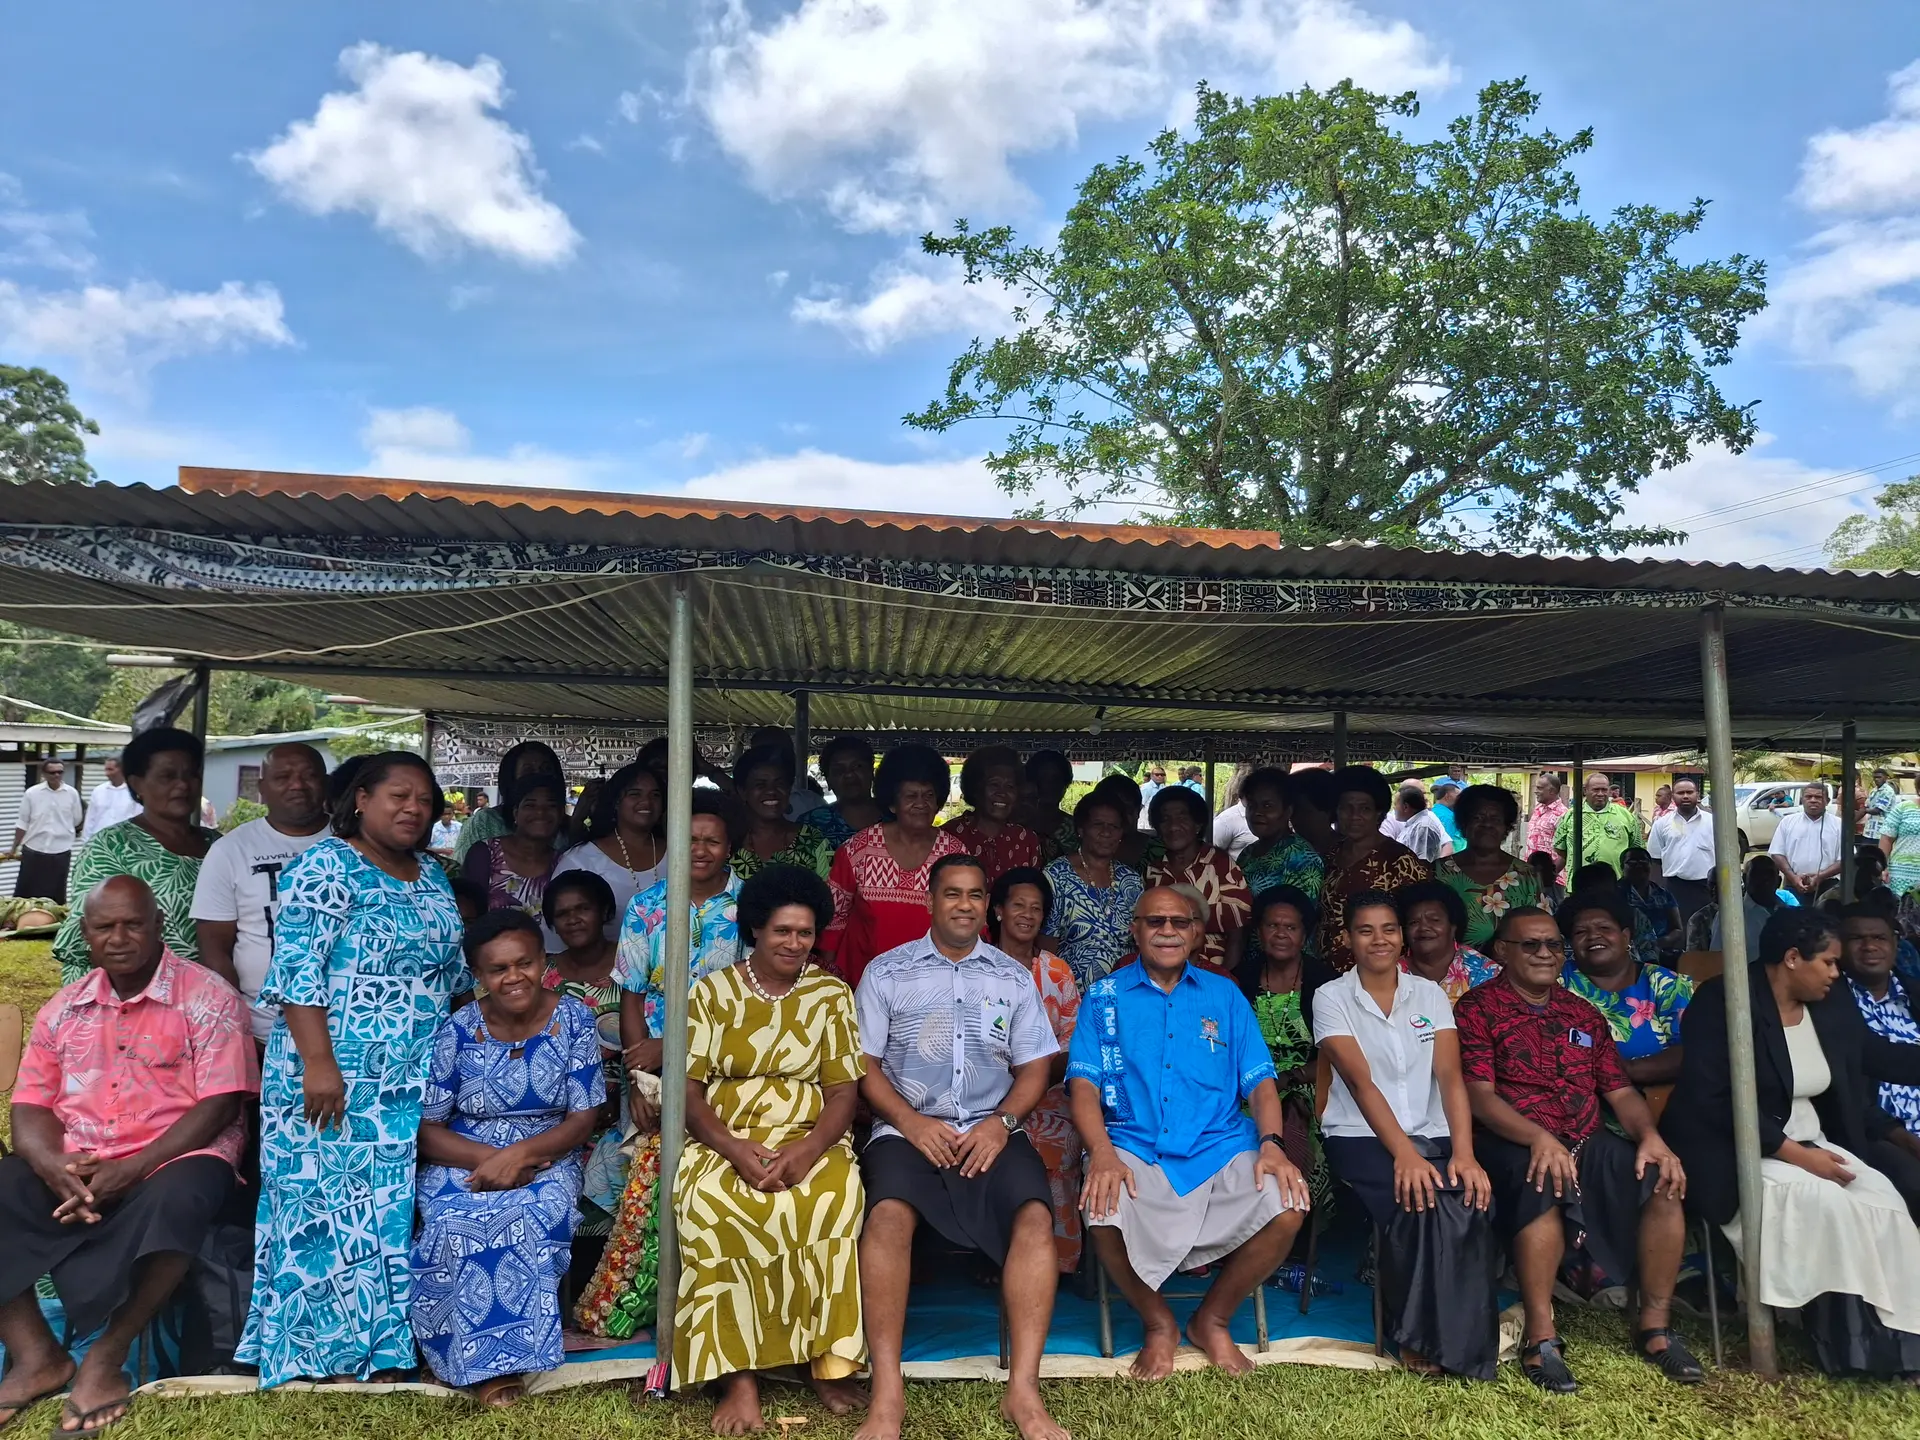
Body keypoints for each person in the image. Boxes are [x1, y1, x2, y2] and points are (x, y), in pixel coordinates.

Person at [239, 751, 468, 1387]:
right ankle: (322, 1354)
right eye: (399, 795)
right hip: (332, 1077)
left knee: (385, 1215)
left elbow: (451, 981)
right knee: (325, 1214)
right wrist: (318, 1064)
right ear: (361, 799)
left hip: (405, 1080)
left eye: (425, 800)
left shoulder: (431, 877)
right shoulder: (326, 866)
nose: (414, 809)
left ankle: (383, 1351)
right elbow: (297, 974)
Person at [0, 875, 255, 1435]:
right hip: (83, 1165)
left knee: (183, 1195)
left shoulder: (207, 996)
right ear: (84, 933)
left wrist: (128, 1171)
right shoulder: (64, 1007)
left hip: (175, 1157)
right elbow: (31, 1105)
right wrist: (54, 1167)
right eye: (104, 926)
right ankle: (36, 1356)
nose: (119, 937)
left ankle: (104, 1359)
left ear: (159, 927)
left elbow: (220, 1104)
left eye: (133, 924)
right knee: (5, 1184)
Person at [854, 855, 1067, 1440]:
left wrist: (1001, 1123)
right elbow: (863, 1066)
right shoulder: (887, 973)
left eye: (975, 895)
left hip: (989, 1129)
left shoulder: (1010, 976)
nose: (965, 906)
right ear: (930, 901)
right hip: (906, 1130)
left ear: (986, 906)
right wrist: (911, 1123)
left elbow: (1035, 1067)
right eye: (953, 894)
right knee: (889, 1218)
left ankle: (1023, 1391)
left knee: (1032, 1218)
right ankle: (887, 1393)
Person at [1663, 909, 1920, 1375]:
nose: (1838, 973)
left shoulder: (1830, 1001)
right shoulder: (1725, 1001)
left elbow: (1873, 1055)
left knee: (1884, 1202)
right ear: (1793, 958)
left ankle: (1899, 1345)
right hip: (1730, 1148)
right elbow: (1715, 1101)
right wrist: (1801, 1158)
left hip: (1811, 1141)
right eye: (1829, 962)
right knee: (1829, 1205)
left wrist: (1811, 1153)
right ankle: (1847, 1347)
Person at [1455, 906, 1700, 1392]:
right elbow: (1479, 1097)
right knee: (1542, 1176)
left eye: (1553, 945)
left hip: (1586, 1138)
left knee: (1662, 1180)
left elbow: (1620, 1091)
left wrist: (1651, 1138)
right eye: (1531, 945)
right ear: (1502, 951)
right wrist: (1538, 1137)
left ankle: (1655, 1326)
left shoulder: (1581, 1012)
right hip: (1513, 1142)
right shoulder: (1477, 1008)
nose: (1546, 954)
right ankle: (1542, 1338)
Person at [1069, 884, 1309, 1381]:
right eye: (1155, 922)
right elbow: (1083, 1087)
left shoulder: (1224, 994)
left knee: (1289, 1203)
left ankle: (1212, 1319)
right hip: (1133, 1144)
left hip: (1218, 1145)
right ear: (1135, 930)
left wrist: (1273, 1145)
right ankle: (1159, 1324)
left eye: (1179, 923)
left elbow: (1261, 1082)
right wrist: (1103, 1154)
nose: (1167, 931)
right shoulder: (1104, 997)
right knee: (1102, 1205)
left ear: (1197, 933)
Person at [672, 865, 868, 1434]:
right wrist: (733, 1148)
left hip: (811, 1137)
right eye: (782, 931)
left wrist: (807, 1151)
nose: (794, 943)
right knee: (715, 1205)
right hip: (724, 1137)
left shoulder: (831, 994)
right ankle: (738, 1377)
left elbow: (842, 1091)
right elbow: (687, 1091)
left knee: (831, 1199)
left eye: (805, 933)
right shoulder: (712, 992)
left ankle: (826, 1365)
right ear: (756, 927)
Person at [411, 911, 604, 1404]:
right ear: (479, 975)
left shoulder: (575, 1019)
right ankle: (462, 1359)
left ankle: (505, 1363)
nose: (513, 976)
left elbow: (584, 1118)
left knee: (527, 1214)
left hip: (548, 1152)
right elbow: (428, 1129)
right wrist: (493, 1159)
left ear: (543, 961)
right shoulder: (457, 1029)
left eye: (524, 962)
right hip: (462, 1154)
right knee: (454, 1220)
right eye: (497, 969)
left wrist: (520, 1156)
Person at [575, 793, 745, 1343]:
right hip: (649, 1063)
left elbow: (751, 1001)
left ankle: (711, 1299)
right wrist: (637, 1080)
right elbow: (629, 994)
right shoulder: (648, 906)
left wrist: (675, 1050)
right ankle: (636, 1298)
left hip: (725, 1064)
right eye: (690, 838)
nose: (700, 849)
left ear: (729, 847)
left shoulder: (750, 907)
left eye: (712, 840)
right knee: (640, 1172)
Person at [1314, 890, 1498, 1379]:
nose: (1379, 939)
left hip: (1432, 1130)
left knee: (1470, 1197)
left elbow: (1451, 1078)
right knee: (1416, 1199)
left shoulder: (1429, 995)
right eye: (1366, 930)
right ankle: (1413, 1335)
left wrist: (1464, 1152)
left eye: (1389, 929)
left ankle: (1460, 1340)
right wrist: (1404, 1155)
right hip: (1359, 1135)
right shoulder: (1331, 997)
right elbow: (1360, 1082)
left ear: (1401, 937)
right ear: (1348, 938)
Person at [53, 728, 218, 985]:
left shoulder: (220, 847)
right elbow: (87, 937)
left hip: (212, 1000)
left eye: (191, 774)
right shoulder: (110, 847)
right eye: (167, 776)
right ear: (137, 783)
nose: (183, 785)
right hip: (130, 1001)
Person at [192, 742, 331, 1045]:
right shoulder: (231, 850)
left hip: (345, 1028)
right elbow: (215, 950)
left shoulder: (353, 842)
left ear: (326, 783)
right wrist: (238, 1030)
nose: (297, 785)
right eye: (283, 777)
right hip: (261, 1031)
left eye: (309, 775)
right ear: (263, 788)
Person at [988, 866, 1084, 1272]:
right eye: (1018, 906)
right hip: (986, 1097)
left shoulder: (1055, 971)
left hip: (1047, 1095)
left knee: (1059, 1138)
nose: (1027, 915)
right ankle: (998, 1255)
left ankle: (1057, 1261)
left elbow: (1072, 1043)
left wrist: (1034, 1074)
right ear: (997, 911)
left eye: (1037, 909)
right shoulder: (978, 966)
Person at [824, 745, 966, 989]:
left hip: (932, 991)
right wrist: (828, 983)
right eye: (911, 796)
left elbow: (968, 922)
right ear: (892, 803)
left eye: (928, 795)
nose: (921, 804)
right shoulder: (858, 850)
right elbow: (833, 921)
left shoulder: (954, 853)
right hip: (863, 988)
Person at [1231, 885, 1336, 1213]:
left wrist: (1290, 1078)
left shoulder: (1326, 983)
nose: (1280, 934)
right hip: (1245, 1087)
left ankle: (1293, 1222)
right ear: (1259, 931)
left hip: (1309, 1087)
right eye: (1272, 926)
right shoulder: (1239, 980)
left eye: (1290, 927)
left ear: (1304, 934)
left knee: (1296, 1131)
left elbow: (1335, 1056)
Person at [1557, 889, 1691, 1087]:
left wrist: (1622, 1071)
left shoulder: (1665, 983)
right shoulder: (1557, 981)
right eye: (1580, 932)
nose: (1593, 936)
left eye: (1604, 928)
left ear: (1626, 937)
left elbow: (1690, 1050)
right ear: (1571, 944)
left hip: (1655, 1102)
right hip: (1571, 1102)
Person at [1318, 766, 1431, 973]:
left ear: (1379, 812)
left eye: (1364, 809)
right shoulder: (1331, 854)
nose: (1354, 816)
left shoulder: (1400, 859)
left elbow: (1417, 921)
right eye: (1346, 808)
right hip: (1327, 973)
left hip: (1379, 973)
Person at [1144, 785, 1251, 976]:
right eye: (1165, 819)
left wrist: (1223, 979)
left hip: (1213, 972)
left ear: (1198, 824)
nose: (1173, 826)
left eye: (1182, 818)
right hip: (1162, 974)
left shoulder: (1220, 864)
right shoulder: (1154, 871)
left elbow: (1238, 933)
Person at [1042, 792, 1145, 988]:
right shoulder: (1056, 875)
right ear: (1081, 829)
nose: (1106, 832)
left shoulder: (1131, 880)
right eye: (1098, 824)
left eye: (1114, 826)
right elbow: (1047, 946)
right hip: (1070, 994)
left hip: (1125, 992)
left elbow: (1142, 941)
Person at [553, 758, 667, 932]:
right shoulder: (581, 860)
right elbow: (558, 930)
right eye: (635, 794)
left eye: (655, 795)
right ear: (615, 802)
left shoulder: (680, 854)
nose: (647, 802)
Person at [1839, 902, 1920, 1142]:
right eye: (1857, 938)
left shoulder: (1914, 996)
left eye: (1879, 938)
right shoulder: (1828, 999)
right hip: (1878, 1137)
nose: (1869, 947)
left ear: (1895, 944)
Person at [462, 769, 566, 945]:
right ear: (515, 813)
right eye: (530, 805)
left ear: (561, 814)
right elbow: (467, 919)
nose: (541, 812)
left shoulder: (564, 863)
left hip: (550, 966)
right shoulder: (485, 854)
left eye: (551, 805)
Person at [1434, 784, 1541, 950]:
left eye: (1495, 819)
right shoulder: (1439, 872)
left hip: (1513, 972)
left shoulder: (1526, 875)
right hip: (1453, 972)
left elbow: (1541, 931)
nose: (1487, 825)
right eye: (1478, 818)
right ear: (1464, 823)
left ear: (1506, 826)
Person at [729, 743, 834, 882]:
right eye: (760, 785)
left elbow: (831, 897)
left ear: (789, 789)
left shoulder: (813, 841)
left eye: (780, 784)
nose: (771, 791)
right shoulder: (727, 841)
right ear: (743, 792)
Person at [942, 746, 1044, 887]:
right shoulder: (948, 836)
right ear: (976, 788)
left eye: (1010, 786)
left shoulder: (1026, 840)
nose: (1002, 793)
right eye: (994, 784)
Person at [453, 740, 566, 864]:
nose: (538, 777)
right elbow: (461, 871)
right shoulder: (484, 822)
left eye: (546, 770)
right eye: (528, 771)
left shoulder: (565, 825)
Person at [1397, 879, 1499, 1003]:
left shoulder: (1484, 971)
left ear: (1453, 926)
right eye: (1414, 922)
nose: (1423, 927)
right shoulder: (1391, 971)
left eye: (1434, 920)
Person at [1234, 768, 1325, 901]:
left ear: (1288, 811)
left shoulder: (1302, 858)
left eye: (1267, 806)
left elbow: (1300, 916)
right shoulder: (1248, 853)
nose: (1257, 812)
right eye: (1252, 805)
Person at [9, 758, 82, 903]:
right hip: (34, 850)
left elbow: (77, 820)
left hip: (60, 852)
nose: (56, 775)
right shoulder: (32, 793)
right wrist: (13, 848)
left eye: (60, 772)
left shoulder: (72, 794)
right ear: (44, 774)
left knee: (55, 897)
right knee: (25, 896)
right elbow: (22, 823)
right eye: (52, 772)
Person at [1646, 778, 1714, 922]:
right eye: (1680, 793)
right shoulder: (1662, 824)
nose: (1685, 796)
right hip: (1675, 887)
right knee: (1679, 931)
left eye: (1689, 792)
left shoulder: (1713, 822)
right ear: (1673, 797)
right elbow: (1655, 860)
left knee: (1706, 932)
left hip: (1707, 888)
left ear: (1697, 795)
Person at [1553, 772, 1644, 880]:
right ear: (1585, 791)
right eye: (1596, 790)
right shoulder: (1571, 815)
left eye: (1604, 790)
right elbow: (1560, 849)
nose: (1600, 793)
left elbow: (1637, 849)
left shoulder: (1625, 816)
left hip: (1617, 885)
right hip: (1579, 885)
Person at [1772, 781, 1843, 905]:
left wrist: (1820, 876)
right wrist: (1793, 877)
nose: (1813, 800)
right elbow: (1777, 853)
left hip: (1828, 887)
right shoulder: (1787, 822)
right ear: (1802, 799)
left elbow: (1846, 859)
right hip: (1794, 885)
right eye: (1808, 797)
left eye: (1818, 797)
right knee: (1793, 922)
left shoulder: (1839, 825)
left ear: (1828, 801)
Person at [1711, 855, 1787, 963]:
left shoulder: (1787, 913)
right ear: (1745, 879)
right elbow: (1716, 960)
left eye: (1769, 874)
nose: (1764, 879)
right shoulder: (1730, 916)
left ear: (1778, 881)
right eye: (1757, 874)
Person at [815, 735, 882, 852]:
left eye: (857, 766)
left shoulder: (897, 818)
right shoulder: (812, 824)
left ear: (871, 772)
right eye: (839, 770)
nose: (849, 775)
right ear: (828, 780)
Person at [1620, 847, 1685, 963]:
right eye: (1632, 862)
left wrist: (1661, 942)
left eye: (1644, 861)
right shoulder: (1616, 893)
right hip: (1627, 954)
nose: (1639, 865)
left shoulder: (1663, 895)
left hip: (1662, 952)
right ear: (1622, 867)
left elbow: (1677, 929)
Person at [1023, 749, 1078, 862]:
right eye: (1042, 778)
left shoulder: (1077, 829)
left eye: (1056, 779)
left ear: (1065, 783)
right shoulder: (1015, 825)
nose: (1049, 786)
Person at [80, 756, 141, 842]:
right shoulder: (98, 790)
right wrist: (86, 841)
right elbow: (90, 818)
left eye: (110, 769)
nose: (106, 773)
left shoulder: (135, 791)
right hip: (100, 842)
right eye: (106, 769)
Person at [1391, 784, 1451, 863]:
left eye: (1396, 804)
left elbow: (1421, 864)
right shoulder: (1416, 824)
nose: (1394, 808)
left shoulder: (1423, 827)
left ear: (1405, 807)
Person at [1526, 773, 1568, 876]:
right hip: (1531, 875)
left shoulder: (1563, 814)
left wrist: (1552, 875)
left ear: (1552, 791)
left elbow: (1565, 850)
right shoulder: (1538, 809)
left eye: (1540, 788)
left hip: (1552, 879)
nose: (1536, 791)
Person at [1429, 776, 1466, 852]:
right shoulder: (1448, 817)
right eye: (1458, 796)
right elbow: (1449, 845)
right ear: (1447, 796)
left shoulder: (1432, 812)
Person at [1866, 768, 1901, 842]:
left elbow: (1877, 810)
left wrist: (1864, 811)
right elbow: (1867, 805)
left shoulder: (1887, 791)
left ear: (1885, 777)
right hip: (1870, 830)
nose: (1876, 779)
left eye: (1879, 777)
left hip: (1882, 831)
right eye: (1875, 777)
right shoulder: (1873, 791)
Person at [1138, 764, 1168, 828]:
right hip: (1146, 823)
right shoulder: (1146, 788)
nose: (1160, 776)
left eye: (1162, 775)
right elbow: (1140, 805)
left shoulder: (1163, 787)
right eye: (1157, 775)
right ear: (1151, 776)